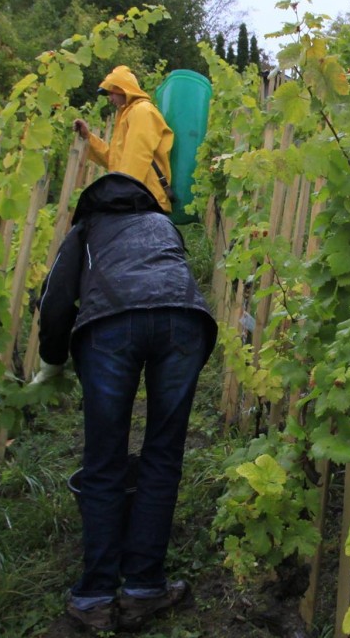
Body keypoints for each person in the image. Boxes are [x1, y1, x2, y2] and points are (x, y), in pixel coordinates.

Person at [37, 172, 217, 632]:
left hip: (111, 328)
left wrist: (52, 360)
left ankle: (95, 596)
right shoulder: (162, 225)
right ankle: (144, 588)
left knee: (104, 460)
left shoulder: (86, 230)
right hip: (184, 322)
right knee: (162, 455)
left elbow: (56, 298)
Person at [74, 65, 176, 213]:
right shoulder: (129, 114)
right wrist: (88, 137)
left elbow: (137, 157)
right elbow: (115, 160)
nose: (110, 99)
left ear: (123, 90)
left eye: (111, 93)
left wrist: (120, 198)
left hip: (145, 201)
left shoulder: (142, 111)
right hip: (138, 198)